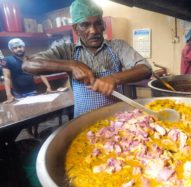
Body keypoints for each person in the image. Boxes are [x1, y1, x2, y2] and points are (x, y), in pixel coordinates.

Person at [22, 0, 152, 118]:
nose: (93, 31)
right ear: (75, 29)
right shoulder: (67, 51)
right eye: (85, 25)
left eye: (97, 23)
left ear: (103, 25)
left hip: (116, 119)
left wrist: (114, 78)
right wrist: (71, 65)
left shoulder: (118, 46)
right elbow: (28, 65)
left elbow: (145, 69)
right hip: (83, 121)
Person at [1, 38, 52, 103]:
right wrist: (9, 95)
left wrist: (48, 87)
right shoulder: (6, 60)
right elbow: (7, 78)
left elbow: (41, 73)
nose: (18, 49)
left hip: (33, 91)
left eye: (20, 46)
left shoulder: (31, 59)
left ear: (24, 47)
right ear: (12, 50)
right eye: (15, 48)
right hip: (18, 94)